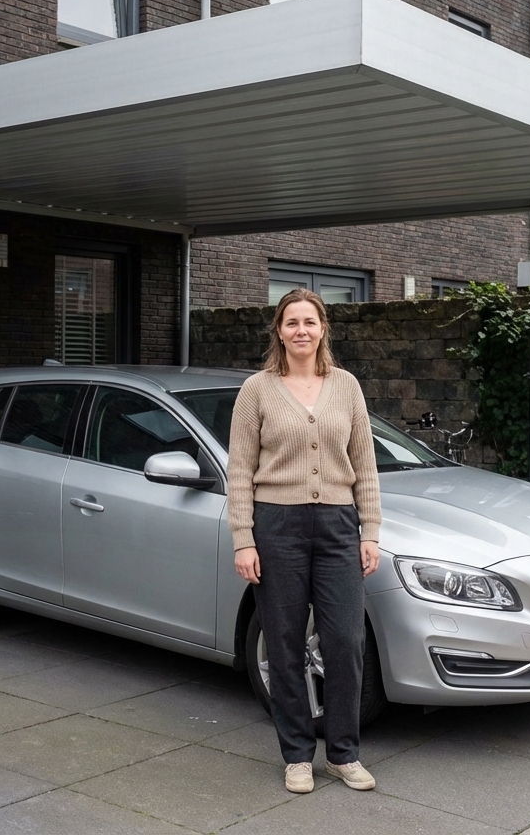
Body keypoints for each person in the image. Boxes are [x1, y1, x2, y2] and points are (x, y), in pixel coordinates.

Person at [227, 288, 382, 794]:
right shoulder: (256, 389)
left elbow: (366, 466)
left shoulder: (347, 386)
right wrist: (243, 540)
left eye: (309, 322)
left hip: (339, 527)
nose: (301, 331)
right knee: (286, 643)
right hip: (278, 529)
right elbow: (240, 472)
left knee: (345, 642)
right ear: (279, 330)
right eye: (291, 322)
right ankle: (297, 755)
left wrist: (370, 530)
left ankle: (343, 753)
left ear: (322, 329)